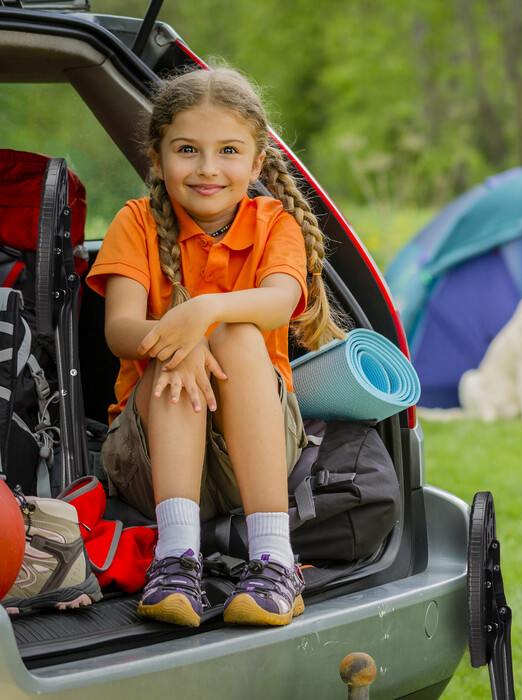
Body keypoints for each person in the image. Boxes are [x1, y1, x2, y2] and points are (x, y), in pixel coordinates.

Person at [86, 66, 345, 628]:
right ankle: (176, 561)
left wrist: (200, 312)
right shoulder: (136, 222)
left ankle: (274, 561)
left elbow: (279, 302)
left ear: (256, 163)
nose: (208, 168)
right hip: (149, 460)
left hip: (250, 458)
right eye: (187, 150)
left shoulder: (275, 224)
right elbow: (118, 329)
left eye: (228, 150)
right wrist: (176, 342)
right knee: (171, 357)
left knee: (235, 333)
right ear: (157, 159)